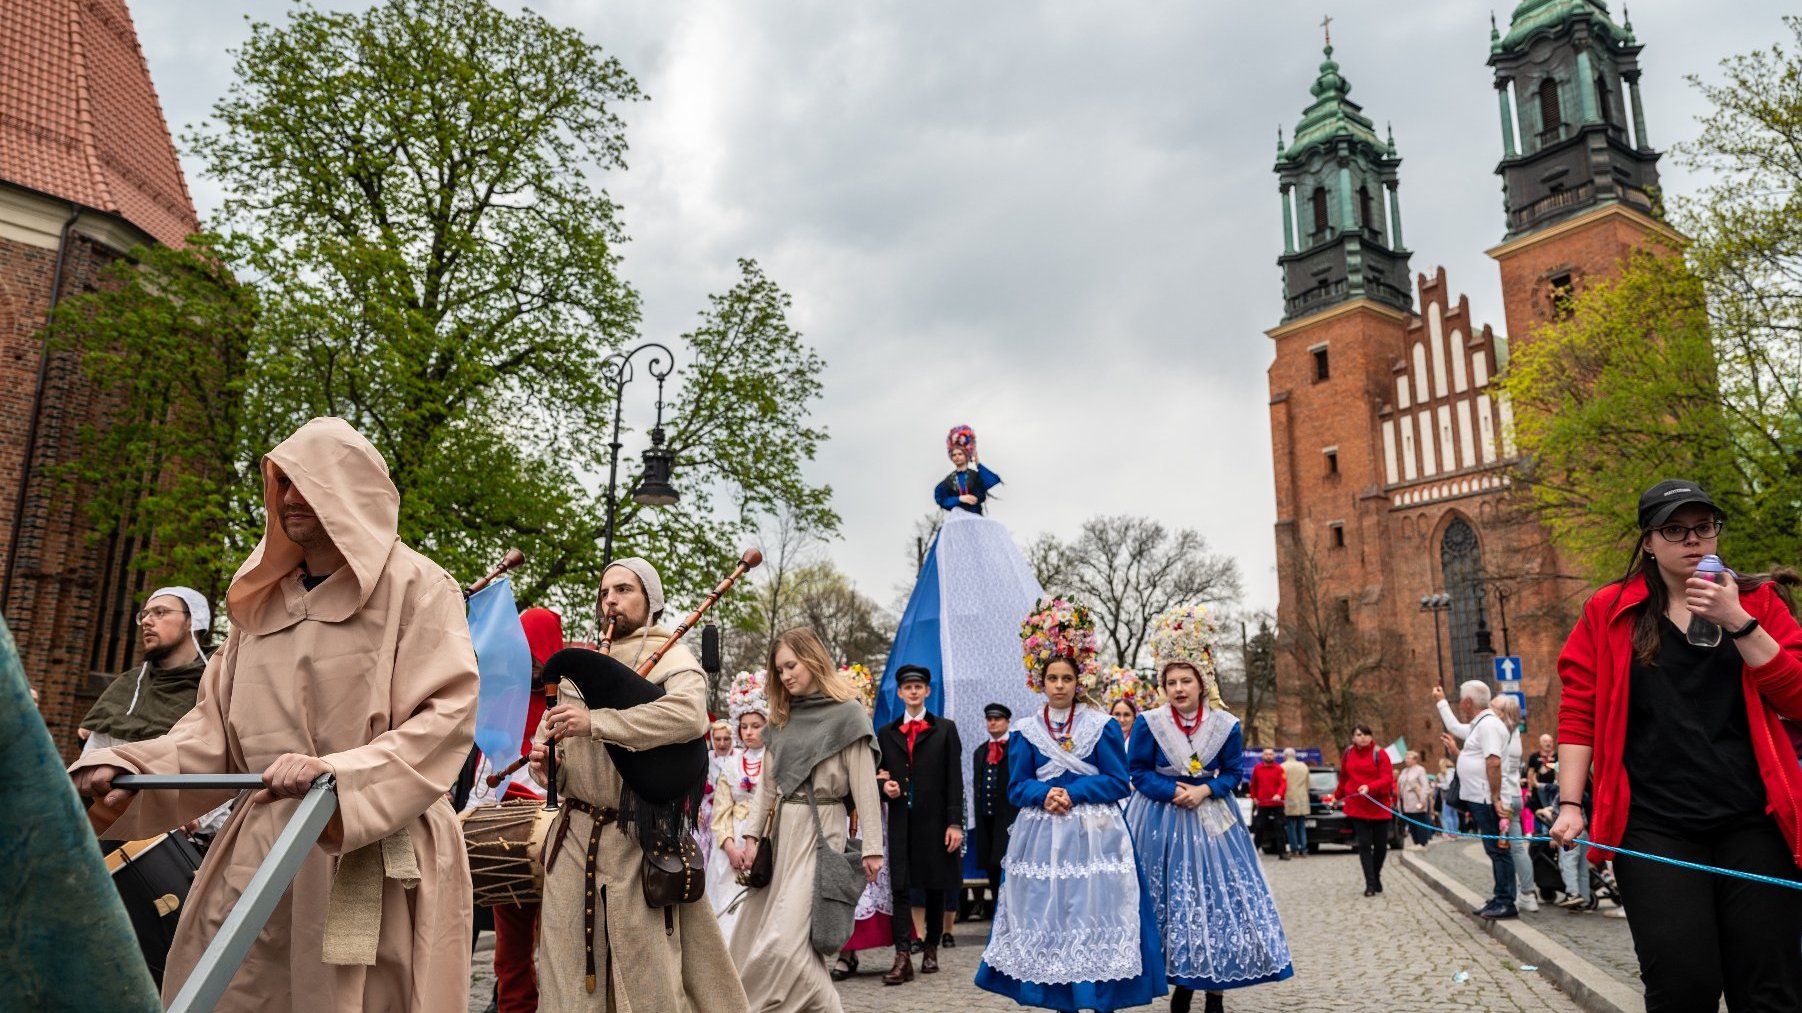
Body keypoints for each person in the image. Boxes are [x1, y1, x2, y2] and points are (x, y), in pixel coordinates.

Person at [69, 417, 481, 1010]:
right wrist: (126, 768)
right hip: (260, 851)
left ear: (349, 489)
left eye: (305, 483)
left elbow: (443, 721)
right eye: (281, 482)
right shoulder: (258, 603)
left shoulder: (417, 587)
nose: (288, 498)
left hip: (370, 851)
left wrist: (339, 774)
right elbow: (210, 737)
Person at [1549, 480, 1802, 1010]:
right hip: (1654, 827)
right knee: (1682, 986)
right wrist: (1571, 804)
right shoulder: (1610, 610)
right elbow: (1579, 710)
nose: (1693, 541)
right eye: (1675, 529)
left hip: (1755, 821)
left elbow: (1798, 698)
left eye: (1704, 527)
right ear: (1649, 542)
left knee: (1769, 989)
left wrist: (1738, 621)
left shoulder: (1759, 601)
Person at [527, 557, 747, 1013]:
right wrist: (550, 768)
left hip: (636, 836)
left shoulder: (673, 654)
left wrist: (598, 720)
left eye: (624, 590)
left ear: (652, 599)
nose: (611, 600)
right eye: (605, 592)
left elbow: (687, 716)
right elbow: (565, 755)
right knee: (567, 965)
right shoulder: (580, 665)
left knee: (645, 968)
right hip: (574, 837)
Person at [975, 596, 1166, 1012]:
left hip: (1094, 836)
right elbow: (1016, 787)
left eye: (1066, 678)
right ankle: (1055, 996)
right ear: (1039, 682)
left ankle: (1096, 995)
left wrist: (1073, 793)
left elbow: (1118, 781)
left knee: (1092, 912)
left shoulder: (1102, 727)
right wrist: (1044, 794)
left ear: (1079, 681)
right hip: (1042, 836)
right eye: (1052, 678)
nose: (1059, 685)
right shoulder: (1025, 732)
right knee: (1050, 914)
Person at [1126, 603, 1291, 1013]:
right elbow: (1139, 771)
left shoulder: (1225, 725)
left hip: (1214, 819)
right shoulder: (1151, 723)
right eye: (1171, 682)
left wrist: (1205, 791)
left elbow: (1234, 772)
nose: (1179, 689)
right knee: (1175, 901)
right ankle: (1181, 977)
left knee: (1216, 898)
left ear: (1202, 683)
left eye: (1186, 681)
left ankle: (1216, 988)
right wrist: (1172, 792)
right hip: (1161, 821)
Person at [728, 628, 884, 1012]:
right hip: (782, 834)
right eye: (779, 670)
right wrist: (751, 837)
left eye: (791, 666)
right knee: (754, 938)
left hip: (822, 832)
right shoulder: (782, 718)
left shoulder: (848, 715)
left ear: (812, 659)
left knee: (784, 942)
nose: (786, 676)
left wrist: (874, 848)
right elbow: (767, 785)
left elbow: (865, 786)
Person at [485, 605, 564, 1013]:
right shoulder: (504, 697)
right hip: (507, 829)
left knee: (562, 942)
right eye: (524, 652)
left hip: (560, 830)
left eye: (536, 653)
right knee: (510, 941)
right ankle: (514, 1006)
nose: (530, 662)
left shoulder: (572, 700)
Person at [875, 664, 965, 984]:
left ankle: (931, 946)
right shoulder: (885, 733)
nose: (913, 691)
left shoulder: (945, 729)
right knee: (900, 885)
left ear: (927, 692)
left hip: (936, 821)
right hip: (900, 821)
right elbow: (877, 775)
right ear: (900, 693)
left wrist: (955, 823)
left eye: (919, 686)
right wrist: (884, 788)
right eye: (908, 687)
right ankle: (902, 956)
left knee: (935, 885)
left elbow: (955, 781)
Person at [1434, 679, 1515, 918]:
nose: (1460, 704)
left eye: (1460, 700)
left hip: (1487, 800)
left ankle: (1506, 900)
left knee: (1499, 850)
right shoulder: (1481, 724)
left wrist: (1496, 797)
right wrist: (1441, 703)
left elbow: (1494, 761)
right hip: (1481, 798)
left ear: (1468, 701)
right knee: (1494, 850)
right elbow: (1456, 728)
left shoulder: (1488, 725)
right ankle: (1501, 895)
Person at [711, 670, 768, 943]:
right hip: (733, 840)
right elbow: (720, 811)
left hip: (763, 838)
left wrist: (755, 844)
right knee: (727, 898)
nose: (749, 732)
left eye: (755, 726)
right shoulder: (731, 764)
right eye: (744, 726)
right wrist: (731, 847)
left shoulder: (775, 760)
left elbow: (776, 805)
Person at [969, 702, 1017, 921]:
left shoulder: (1015, 748)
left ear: (1007, 721)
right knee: (991, 867)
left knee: (1008, 866)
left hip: (1008, 819)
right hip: (986, 820)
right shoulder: (980, 751)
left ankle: (1011, 913)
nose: (993, 722)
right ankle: (998, 915)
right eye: (990, 719)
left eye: (997, 719)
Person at [1335, 725, 1395, 897]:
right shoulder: (1348, 753)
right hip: (1357, 806)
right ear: (1353, 738)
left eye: (1366, 735)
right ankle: (1370, 883)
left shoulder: (1380, 754)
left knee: (1381, 846)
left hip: (1378, 805)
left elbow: (1387, 779)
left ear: (1370, 737)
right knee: (1364, 845)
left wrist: (1370, 787)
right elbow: (1344, 778)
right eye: (1358, 735)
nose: (1362, 738)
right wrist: (1336, 796)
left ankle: (1376, 876)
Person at [935, 425, 1002, 515]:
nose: (956, 457)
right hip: (957, 518)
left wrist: (978, 463)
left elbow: (992, 480)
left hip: (976, 516)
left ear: (966, 455)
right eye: (954, 455)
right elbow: (941, 499)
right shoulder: (949, 480)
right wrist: (959, 499)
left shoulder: (975, 476)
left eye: (960, 454)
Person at [1247, 747, 1288, 859]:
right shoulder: (1257, 768)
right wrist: (1254, 797)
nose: (1268, 756)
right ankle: (1254, 852)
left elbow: (1283, 784)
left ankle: (1282, 852)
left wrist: (1279, 794)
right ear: (1263, 756)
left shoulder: (1279, 769)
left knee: (1279, 827)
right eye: (1266, 754)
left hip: (1277, 804)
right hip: (1263, 804)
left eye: (1270, 754)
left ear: (1274, 756)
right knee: (1259, 827)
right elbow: (1253, 784)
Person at [1395, 750, 1434, 849]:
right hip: (1405, 802)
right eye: (1406, 758)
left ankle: (1422, 843)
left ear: (1415, 759)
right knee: (1411, 823)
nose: (1406, 760)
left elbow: (1425, 786)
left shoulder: (1420, 770)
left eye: (1409, 758)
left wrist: (1423, 800)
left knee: (1419, 822)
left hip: (1416, 801)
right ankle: (1416, 842)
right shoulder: (1404, 771)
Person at [1279, 747, 1311, 859]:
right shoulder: (1303, 766)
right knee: (1301, 826)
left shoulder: (1282, 767)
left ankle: (1294, 849)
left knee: (1291, 826)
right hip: (1302, 799)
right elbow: (1308, 784)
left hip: (1289, 798)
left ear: (1285, 756)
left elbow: (1281, 784)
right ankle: (1304, 849)